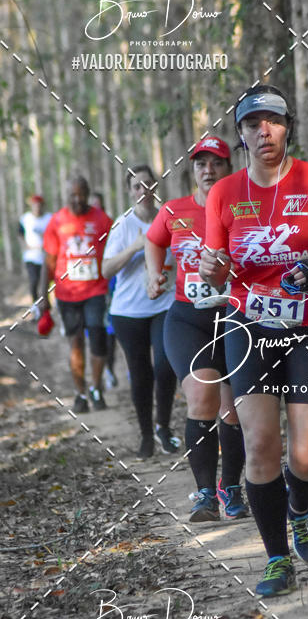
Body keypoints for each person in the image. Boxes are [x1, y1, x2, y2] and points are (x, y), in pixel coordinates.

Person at [200, 85, 308, 597]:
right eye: (253, 124)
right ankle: (276, 557)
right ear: (242, 136)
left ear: (287, 126)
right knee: (259, 444)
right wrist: (212, 270)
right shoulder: (223, 194)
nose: (264, 131)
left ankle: (300, 506)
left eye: (272, 121)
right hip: (246, 325)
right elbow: (215, 270)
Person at [145, 137, 247, 521]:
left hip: (236, 317)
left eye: (216, 163)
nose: (208, 170)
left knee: (234, 410)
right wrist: (154, 274)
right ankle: (205, 494)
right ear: (193, 170)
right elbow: (154, 241)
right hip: (187, 317)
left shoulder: (243, 208)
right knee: (203, 397)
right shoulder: (175, 210)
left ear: (229, 166)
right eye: (201, 164)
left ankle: (231, 487)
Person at [102, 166, 179, 459]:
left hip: (164, 304)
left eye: (148, 183)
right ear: (130, 191)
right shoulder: (123, 225)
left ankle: (163, 427)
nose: (143, 190)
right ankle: (146, 434)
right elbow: (106, 269)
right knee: (140, 373)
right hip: (128, 312)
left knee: (165, 364)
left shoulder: (171, 218)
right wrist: (136, 246)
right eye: (137, 186)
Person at [40, 176, 113, 413]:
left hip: (96, 290)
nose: (77, 199)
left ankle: (97, 388)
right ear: (66, 195)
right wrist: (43, 297)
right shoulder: (57, 221)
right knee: (76, 343)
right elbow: (49, 262)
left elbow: (114, 252)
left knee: (98, 339)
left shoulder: (102, 220)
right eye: (73, 194)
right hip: (67, 294)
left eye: (82, 194)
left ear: (88, 193)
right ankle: (80, 393)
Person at [90, 192, 118, 389]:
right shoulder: (84, 229)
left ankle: (109, 369)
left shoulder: (111, 226)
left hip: (109, 285)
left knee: (110, 332)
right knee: (94, 331)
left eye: (98, 205)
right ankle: (97, 376)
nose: (96, 209)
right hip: (90, 290)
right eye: (93, 206)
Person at [18, 194, 52, 314]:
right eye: (35, 205)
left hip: (46, 257)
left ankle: (46, 308)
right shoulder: (25, 219)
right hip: (31, 257)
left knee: (45, 284)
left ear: (43, 206)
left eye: (39, 205)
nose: (37, 208)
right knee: (33, 281)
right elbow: (20, 233)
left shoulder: (49, 218)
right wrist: (25, 245)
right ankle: (35, 306)